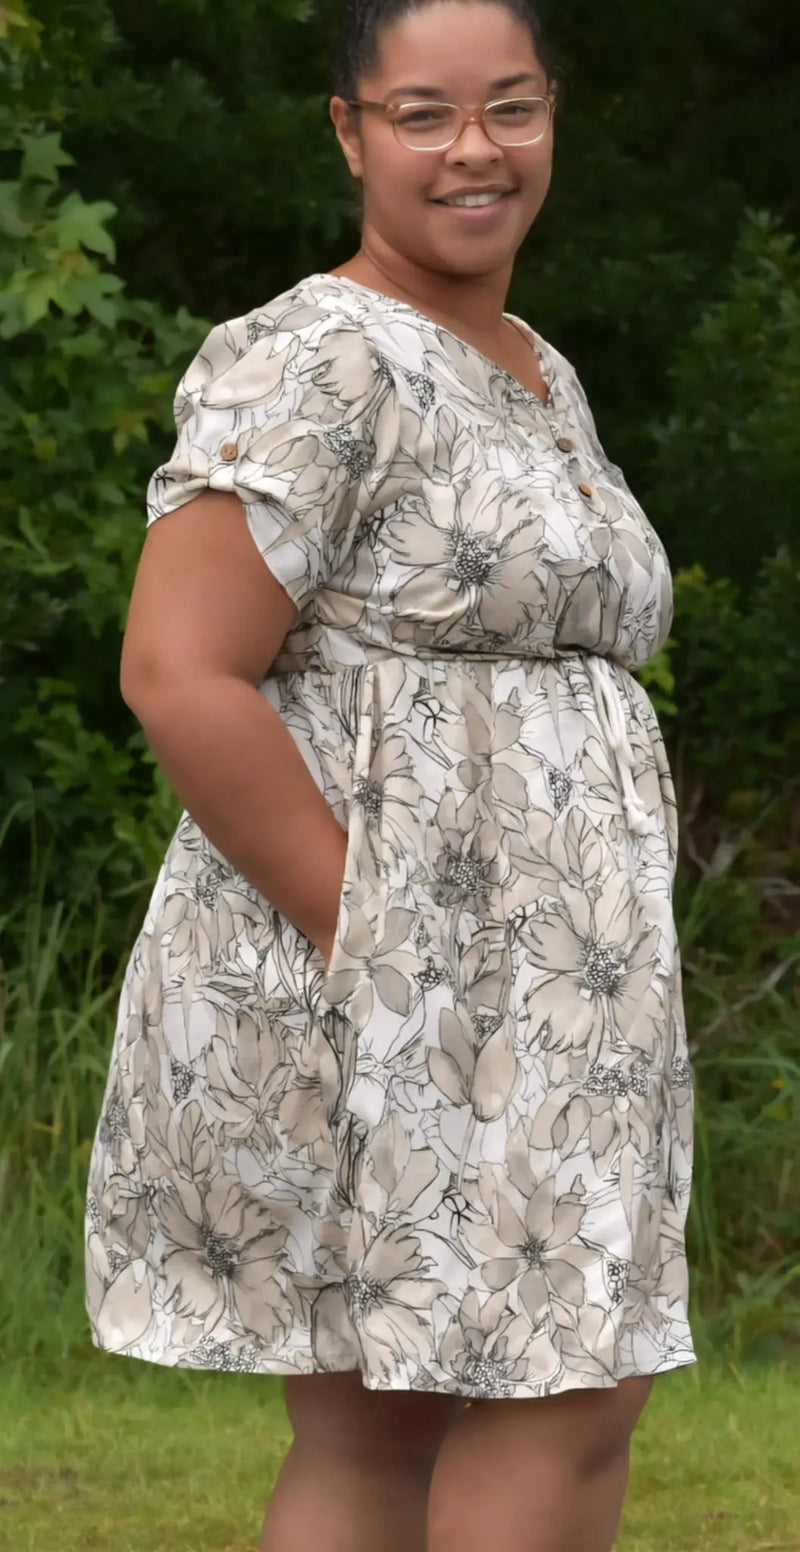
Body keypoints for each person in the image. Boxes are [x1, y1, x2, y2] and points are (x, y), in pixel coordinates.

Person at [85, 1, 696, 1548]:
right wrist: (379, 939)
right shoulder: (317, 357)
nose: (474, 149)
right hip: (414, 973)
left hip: (529, 980)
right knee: (557, 1396)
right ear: (350, 131)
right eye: (422, 113)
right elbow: (178, 668)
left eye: (512, 106)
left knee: (391, 1416)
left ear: (556, 118)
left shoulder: (533, 368)